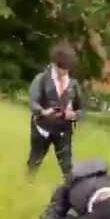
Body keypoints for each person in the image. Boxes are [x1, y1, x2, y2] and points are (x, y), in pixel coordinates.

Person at [27, 42, 83, 177]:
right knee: (34, 161)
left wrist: (74, 114)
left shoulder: (73, 85)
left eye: (66, 69)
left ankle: (70, 191)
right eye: (60, 69)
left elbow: (81, 110)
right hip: (42, 129)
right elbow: (33, 103)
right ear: (53, 64)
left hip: (63, 130)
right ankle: (28, 184)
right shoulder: (41, 80)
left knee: (67, 166)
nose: (63, 73)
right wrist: (43, 112)